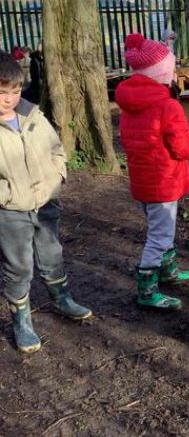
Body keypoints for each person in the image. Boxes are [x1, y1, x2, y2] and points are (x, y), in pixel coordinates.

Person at [0, 53, 92, 354]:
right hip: (11, 210)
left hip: (45, 202)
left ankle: (61, 298)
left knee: (52, 252)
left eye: (14, 91)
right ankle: (22, 320)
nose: (10, 99)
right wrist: (8, 195)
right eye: (2, 93)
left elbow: (56, 149)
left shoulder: (33, 115)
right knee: (19, 265)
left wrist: (57, 177)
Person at [115, 33, 189, 312]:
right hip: (164, 182)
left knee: (162, 228)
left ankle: (168, 270)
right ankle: (147, 288)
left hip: (143, 181)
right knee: (160, 235)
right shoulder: (168, 106)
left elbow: (130, 140)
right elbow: (182, 148)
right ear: (163, 73)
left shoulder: (129, 105)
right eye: (172, 69)